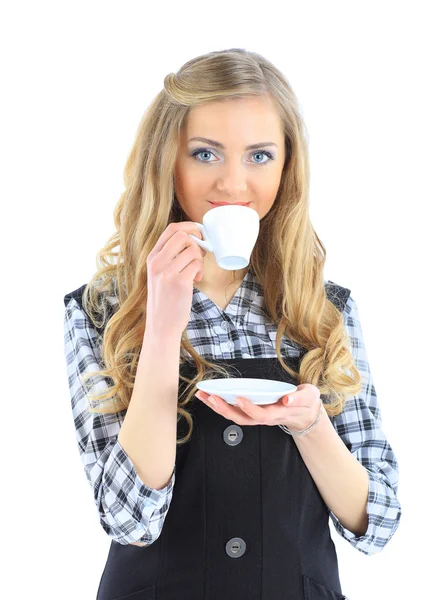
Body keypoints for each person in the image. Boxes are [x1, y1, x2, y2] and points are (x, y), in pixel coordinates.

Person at [63, 48, 401, 600]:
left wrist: (310, 425)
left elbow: (377, 524)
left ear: (288, 165)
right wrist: (163, 324)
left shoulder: (325, 309)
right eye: (205, 153)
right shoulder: (103, 309)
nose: (233, 183)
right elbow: (129, 521)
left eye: (260, 156)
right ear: (166, 160)